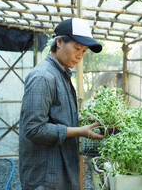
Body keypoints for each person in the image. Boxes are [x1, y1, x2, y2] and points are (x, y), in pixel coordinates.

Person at [19, 18, 104, 190]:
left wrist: (81, 118)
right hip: (45, 175)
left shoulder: (61, 73)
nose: (80, 56)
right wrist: (80, 131)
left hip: (58, 169)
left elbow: (57, 114)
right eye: (77, 48)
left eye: (84, 51)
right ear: (59, 42)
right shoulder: (43, 76)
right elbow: (33, 128)